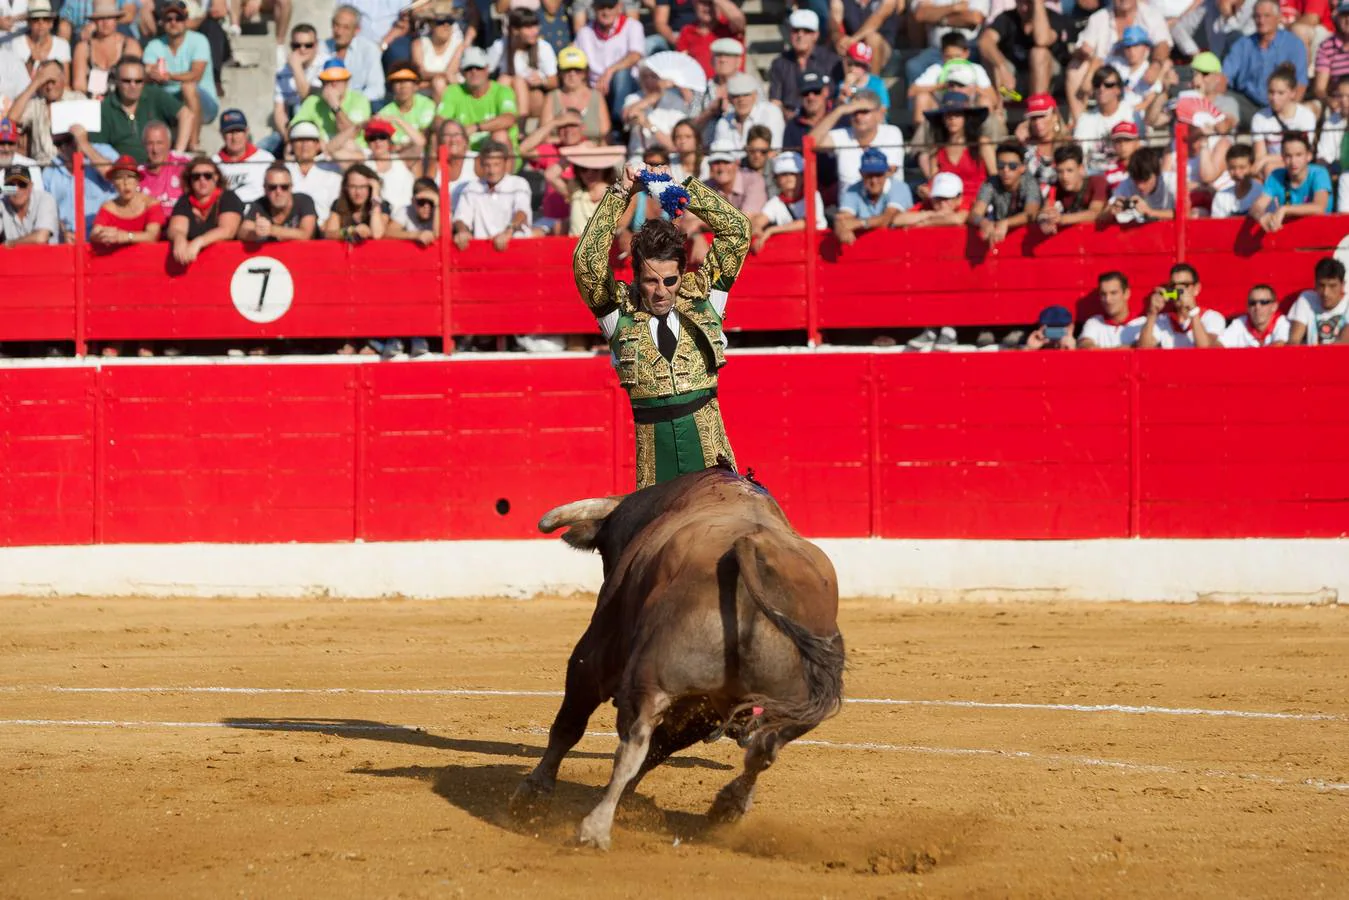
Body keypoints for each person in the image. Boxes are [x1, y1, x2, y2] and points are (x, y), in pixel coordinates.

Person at [573, 161, 749, 488]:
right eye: (650, 281)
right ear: (636, 277)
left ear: (683, 273)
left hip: (715, 464)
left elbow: (737, 231)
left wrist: (681, 186)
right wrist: (621, 192)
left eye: (670, 280)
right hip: (655, 476)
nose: (660, 290)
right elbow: (587, 265)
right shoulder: (618, 312)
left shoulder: (706, 296)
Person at [1066, 0, 1170, 123]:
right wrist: (1088, 70)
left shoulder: (1151, 14)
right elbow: (1086, 51)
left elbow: (1163, 44)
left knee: (1166, 65)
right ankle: (1080, 124)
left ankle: (1154, 119)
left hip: (1141, 74)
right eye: (1128, 46)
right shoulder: (1098, 18)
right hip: (1106, 73)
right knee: (1075, 68)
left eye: (1135, 45)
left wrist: (1156, 65)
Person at [143, 0, 218, 148]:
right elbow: (147, 71)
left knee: (188, 87)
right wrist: (152, 74)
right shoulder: (154, 45)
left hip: (204, 103)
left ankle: (194, 144)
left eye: (179, 18)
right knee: (145, 90)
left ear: (186, 20)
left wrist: (168, 76)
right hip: (170, 104)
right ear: (162, 22)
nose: (174, 22)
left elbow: (196, 75)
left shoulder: (199, 40)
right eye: (168, 19)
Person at [1223, 0, 1308, 121]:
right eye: (1257, 16)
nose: (1261, 21)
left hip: (1281, 105)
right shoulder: (1243, 44)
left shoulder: (1294, 44)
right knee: (1224, 100)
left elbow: (1301, 83)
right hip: (1248, 103)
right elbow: (1225, 75)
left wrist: (1288, 112)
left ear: (1278, 18)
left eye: (1267, 16)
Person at [808, 90, 904, 194]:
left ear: (879, 114)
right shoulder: (842, 135)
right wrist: (839, 110)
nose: (858, 117)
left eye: (864, 111)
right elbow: (809, 142)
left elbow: (888, 172)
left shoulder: (892, 132)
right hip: (847, 208)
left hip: (887, 205)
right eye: (854, 112)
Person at [979, 0, 1071, 101]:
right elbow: (984, 42)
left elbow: (1042, 40)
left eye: (1028, 3)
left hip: (1050, 83)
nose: (1024, 8)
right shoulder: (1007, 17)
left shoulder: (1054, 18)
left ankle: (1037, 107)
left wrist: (1037, 3)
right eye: (1020, 2)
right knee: (990, 56)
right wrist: (1001, 67)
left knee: (1039, 53)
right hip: (1014, 89)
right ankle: (998, 105)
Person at [435, 46, 519, 155]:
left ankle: (504, 172)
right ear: (462, 72)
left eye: (478, 67)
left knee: (500, 135)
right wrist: (456, 134)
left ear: (487, 69)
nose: (474, 72)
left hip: (495, 154)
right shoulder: (453, 91)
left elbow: (509, 119)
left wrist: (475, 127)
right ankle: (443, 172)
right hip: (463, 149)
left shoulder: (502, 91)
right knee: (438, 137)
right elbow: (438, 120)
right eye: (469, 68)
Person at [451, 139, 532, 250]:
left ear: (506, 162)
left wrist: (508, 232)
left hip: (516, 248)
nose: (492, 170)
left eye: (496, 164)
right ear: (481, 165)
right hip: (482, 250)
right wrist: (462, 231)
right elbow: (461, 218)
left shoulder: (519, 183)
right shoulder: (472, 188)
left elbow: (522, 212)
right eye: (487, 165)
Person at [573, 0, 643, 122]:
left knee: (621, 75)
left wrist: (610, 71)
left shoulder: (632, 26)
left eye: (610, 7)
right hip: (595, 88)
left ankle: (618, 123)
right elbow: (577, 61)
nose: (606, 12)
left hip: (628, 86)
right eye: (601, 7)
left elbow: (635, 55)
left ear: (619, 7)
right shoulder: (584, 32)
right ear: (594, 9)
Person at [1249, 130, 1333, 230]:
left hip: (1321, 233)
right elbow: (1256, 207)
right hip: (1290, 235)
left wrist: (1285, 209)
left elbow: (1319, 207)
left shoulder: (1319, 173)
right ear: (1282, 157)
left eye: (1298, 155)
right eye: (1288, 156)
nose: (1293, 161)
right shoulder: (1276, 175)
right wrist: (1262, 216)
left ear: (1309, 156)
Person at [8, 60, 85, 166]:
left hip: (71, 167)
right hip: (42, 168)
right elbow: (11, 119)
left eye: (53, 81)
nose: (49, 87)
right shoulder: (35, 104)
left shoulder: (78, 99)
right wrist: (36, 82)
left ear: (63, 78)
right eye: (44, 82)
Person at [167, 156, 242, 265]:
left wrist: (199, 242)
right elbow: (176, 228)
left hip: (227, 261)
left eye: (207, 176)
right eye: (196, 177)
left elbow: (227, 230)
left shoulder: (228, 197)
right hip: (193, 263)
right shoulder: (185, 200)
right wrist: (179, 239)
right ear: (190, 180)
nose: (202, 180)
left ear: (216, 177)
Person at [43, 130, 118, 239]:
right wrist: (62, 232)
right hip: (67, 241)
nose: (63, 147)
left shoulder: (103, 151)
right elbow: (46, 211)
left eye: (68, 140)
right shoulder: (50, 171)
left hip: (102, 238)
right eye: (58, 144)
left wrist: (85, 145)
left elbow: (117, 176)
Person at [918, 91, 987, 207]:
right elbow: (933, 181)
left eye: (957, 114)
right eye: (948, 115)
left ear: (966, 118)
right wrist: (925, 189)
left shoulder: (981, 143)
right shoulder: (937, 148)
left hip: (977, 202)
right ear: (943, 119)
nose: (952, 119)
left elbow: (994, 177)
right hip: (944, 203)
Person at [489, 6, 559, 120]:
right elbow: (486, 70)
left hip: (534, 98)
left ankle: (521, 124)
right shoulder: (500, 46)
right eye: (528, 27)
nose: (535, 31)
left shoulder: (543, 47)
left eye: (535, 26)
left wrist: (542, 81)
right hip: (509, 94)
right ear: (515, 30)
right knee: (505, 79)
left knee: (519, 82)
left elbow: (554, 81)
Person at [1134, 263, 1226, 348]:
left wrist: (1192, 310)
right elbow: (1143, 350)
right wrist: (1152, 313)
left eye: (1184, 285)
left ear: (1196, 289)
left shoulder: (1212, 317)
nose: (1177, 289)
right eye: (1173, 285)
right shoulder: (1163, 320)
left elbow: (1205, 348)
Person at [768, 7, 842, 112]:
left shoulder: (831, 61)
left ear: (816, 35)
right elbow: (775, 101)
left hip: (824, 119)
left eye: (807, 31)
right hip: (788, 120)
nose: (800, 35)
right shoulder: (779, 63)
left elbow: (836, 97)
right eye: (796, 30)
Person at [906, 0, 990, 91]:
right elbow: (921, 14)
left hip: (968, 51)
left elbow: (974, 18)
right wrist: (954, 8)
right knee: (914, 66)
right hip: (937, 50)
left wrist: (939, 18)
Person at [833, 147, 912, 244]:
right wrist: (841, 230)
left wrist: (859, 223)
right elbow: (842, 219)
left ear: (887, 173)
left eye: (878, 174)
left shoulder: (900, 188)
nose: (874, 181)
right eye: (869, 175)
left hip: (900, 245)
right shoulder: (852, 190)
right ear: (861, 174)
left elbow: (886, 219)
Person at [970, 141, 1042, 247]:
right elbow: (974, 214)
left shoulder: (1030, 183)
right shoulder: (991, 182)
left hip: (1027, 242)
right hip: (1000, 237)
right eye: (1001, 165)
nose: (1006, 170)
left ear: (1022, 168)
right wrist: (984, 223)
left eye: (1012, 166)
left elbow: (1030, 213)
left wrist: (1006, 222)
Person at [750, 151, 826, 252]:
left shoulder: (813, 196)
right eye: (783, 174)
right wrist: (757, 230)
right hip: (790, 251)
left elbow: (808, 223)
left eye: (793, 173)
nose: (788, 177)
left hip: (817, 251)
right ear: (776, 179)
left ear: (802, 177)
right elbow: (759, 221)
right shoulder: (775, 202)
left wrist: (772, 230)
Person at [291, 58, 372, 150]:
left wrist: (335, 107)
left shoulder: (359, 100)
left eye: (338, 80)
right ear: (322, 83)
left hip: (354, 153)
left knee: (348, 145)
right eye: (328, 81)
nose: (334, 84)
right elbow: (293, 130)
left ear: (347, 82)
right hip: (322, 154)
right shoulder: (313, 101)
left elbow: (350, 135)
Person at [89, 154, 166, 248]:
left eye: (130, 176)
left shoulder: (151, 204)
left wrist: (125, 236)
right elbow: (94, 234)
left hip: (146, 259)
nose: (125, 182)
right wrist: (104, 235)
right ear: (113, 182)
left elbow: (152, 236)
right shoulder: (108, 207)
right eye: (120, 177)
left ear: (137, 180)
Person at [1252, 63, 1316, 176]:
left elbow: (1303, 154)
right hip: (1274, 166)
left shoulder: (1306, 116)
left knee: (1270, 168)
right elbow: (1259, 157)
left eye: (1280, 93)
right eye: (1271, 92)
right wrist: (1265, 160)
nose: (1274, 98)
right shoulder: (1259, 118)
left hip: (1298, 165)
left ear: (1292, 93)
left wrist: (1267, 159)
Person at [1075, 67, 1141, 175]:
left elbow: (1138, 150)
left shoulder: (1131, 114)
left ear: (1118, 90)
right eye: (1097, 84)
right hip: (1092, 178)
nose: (1101, 89)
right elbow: (1078, 155)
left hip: (1124, 175)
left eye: (1108, 85)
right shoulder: (1085, 119)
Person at [539, 45, 611, 144]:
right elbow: (543, 137)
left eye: (577, 70)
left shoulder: (597, 97)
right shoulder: (551, 98)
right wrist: (570, 142)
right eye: (567, 70)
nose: (572, 74)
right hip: (559, 155)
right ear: (559, 72)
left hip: (592, 154)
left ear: (585, 72)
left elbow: (605, 136)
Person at [72, 0, 142, 97]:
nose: (105, 23)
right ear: (94, 21)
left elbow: (135, 82)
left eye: (109, 18)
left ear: (116, 20)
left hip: (122, 101)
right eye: (100, 18)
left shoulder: (130, 45)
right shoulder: (83, 48)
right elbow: (79, 86)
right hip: (90, 103)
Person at [238, 161, 317, 242]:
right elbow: (242, 232)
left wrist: (271, 230)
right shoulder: (260, 204)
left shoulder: (304, 201)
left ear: (291, 187)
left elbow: (306, 234)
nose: (278, 192)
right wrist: (255, 232)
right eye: (272, 187)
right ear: (265, 188)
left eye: (284, 187)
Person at [272, 24, 323, 146]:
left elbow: (306, 96)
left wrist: (296, 67)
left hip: (319, 123)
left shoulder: (325, 65)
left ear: (316, 45)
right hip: (292, 127)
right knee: (264, 148)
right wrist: (287, 139)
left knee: (298, 106)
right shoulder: (282, 71)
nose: (302, 49)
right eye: (297, 45)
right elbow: (279, 111)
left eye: (308, 45)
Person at [1039, 143, 1108, 233]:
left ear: (1081, 169)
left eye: (1070, 170)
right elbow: (1046, 210)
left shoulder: (1098, 182)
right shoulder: (1056, 187)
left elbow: (1095, 213)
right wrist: (1044, 220)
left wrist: (1062, 219)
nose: (1064, 177)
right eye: (1060, 171)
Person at [323, 4, 385, 102]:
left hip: (357, 107)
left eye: (346, 27)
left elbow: (377, 89)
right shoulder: (322, 47)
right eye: (336, 25)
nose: (339, 32)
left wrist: (351, 102)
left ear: (357, 30)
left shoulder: (369, 50)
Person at [411, 0, 472, 99]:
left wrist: (429, 81)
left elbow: (450, 74)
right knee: (438, 81)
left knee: (439, 82)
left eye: (450, 21)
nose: (446, 26)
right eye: (441, 21)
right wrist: (437, 78)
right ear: (431, 24)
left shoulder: (458, 45)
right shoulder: (418, 44)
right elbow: (420, 73)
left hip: (450, 91)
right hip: (425, 96)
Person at [211, 109, 273, 204]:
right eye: (229, 132)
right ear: (221, 134)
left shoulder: (266, 159)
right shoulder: (213, 163)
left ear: (247, 132)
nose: (234, 138)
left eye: (238, 131)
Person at [712, 71, 785, 150]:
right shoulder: (723, 123)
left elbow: (774, 151)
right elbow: (720, 154)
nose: (741, 99)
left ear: (755, 95)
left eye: (746, 94)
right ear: (730, 99)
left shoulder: (771, 113)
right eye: (736, 96)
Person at [284, 121, 342, 222]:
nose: (304, 145)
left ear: (317, 144)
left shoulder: (331, 170)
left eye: (309, 140)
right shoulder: (283, 170)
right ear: (291, 145)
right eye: (299, 140)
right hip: (291, 230)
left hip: (325, 230)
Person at [1104, 146, 1175, 223]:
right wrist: (1111, 211)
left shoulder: (1171, 181)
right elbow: (1102, 216)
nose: (1140, 186)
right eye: (1136, 180)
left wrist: (1150, 212)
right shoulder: (1126, 184)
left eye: (1145, 180)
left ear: (1157, 173)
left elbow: (1186, 214)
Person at [675, 0, 745, 77]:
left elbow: (738, 20)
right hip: (697, 85)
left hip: (730, 84)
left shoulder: (729, 26)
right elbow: (680, 64)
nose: (707, 8)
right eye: (702, 4)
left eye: (711, 4)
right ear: (694, 5)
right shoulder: (687, 31)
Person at [1288, 256, 1349, 343]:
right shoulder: (1306, 299)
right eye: (1321, 285)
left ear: (1342, 285)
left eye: (1332, 286)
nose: (1325, 293)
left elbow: (1342, 344)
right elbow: (1294, 341)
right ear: (1315, 284)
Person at [830, 0, 902, 74]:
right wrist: (838, 38)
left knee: (873, 39)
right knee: (838, 41)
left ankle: (873, 81)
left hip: (882, 46)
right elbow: (835, 24)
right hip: (852, 46)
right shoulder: (840, 2)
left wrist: (853, 40)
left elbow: (877, 20)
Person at [323, 162, 388, 242]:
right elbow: (329, 234)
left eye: (363, 186)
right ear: (346, 187)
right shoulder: (339, 203)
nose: (358, 192)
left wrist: (375, 194)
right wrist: (350, 230)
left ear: (370, 188)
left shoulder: (381, 206)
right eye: (353, 186)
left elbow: (377, 234)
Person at [377, 64, 435, 151]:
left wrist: (397, 120)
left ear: (416, 86)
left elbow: (423, 141)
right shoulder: (384, 112)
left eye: (407, 80)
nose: (403, 86)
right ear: (392, 87)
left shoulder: (427, 105)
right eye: (398, 81)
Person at [1078, 271, 1140, 349]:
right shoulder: (1094, 322)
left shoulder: (1142, 323)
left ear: (1126, 294)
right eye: (1103, 294)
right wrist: (1125, 349)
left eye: (1113, 293)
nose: (1108, 300)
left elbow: (1145, 348)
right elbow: (1086, 346)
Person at [9, 0, 71, 78]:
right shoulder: (16, 44)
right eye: (35, 19)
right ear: (29, 22)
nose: (40, 23)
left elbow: (65, 82)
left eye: (45, 19)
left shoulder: (62, 45)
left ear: (51, 22)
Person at [0, 164, 59, 245]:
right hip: (15, 257)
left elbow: (41, 238)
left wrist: (8, 244)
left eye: (22, 184)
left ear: (30, 186)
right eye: (11, 186)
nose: (17, 190)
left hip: (46, 257)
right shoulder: (2, 202)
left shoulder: (45, 199)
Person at [1219, 283, 1291, 346]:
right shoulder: (1240, 323)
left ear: (1274, 306)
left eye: (1263, 302)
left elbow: (1280, 346)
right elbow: (1218, 346)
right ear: (1247, 307)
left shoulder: (1282, 322)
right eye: (1252, 303)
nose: (1257, 307)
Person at [893, 169, 970, 227]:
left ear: (959, 198)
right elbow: (897, 220)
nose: (942, 203)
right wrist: (932, 214)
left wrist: (926, 223)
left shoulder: (967, 203)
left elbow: (958, 219)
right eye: (938, 198)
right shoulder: (927, 204)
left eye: (947, 198)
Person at [1210, 143, 1264, 217]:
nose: (1237, 172)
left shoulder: (1263, 194)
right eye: (1232, 168)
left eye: (1242, 167)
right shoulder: (1221, 196)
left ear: (1252, 167)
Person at [837, 40, 890, 111]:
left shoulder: (877, 83)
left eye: (858, 65)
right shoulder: (842, 84)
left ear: (867, 67)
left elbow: (883, 109)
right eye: (850, 63)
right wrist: (845, 88)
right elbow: (838, 110)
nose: (852, 68)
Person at [390, 175, 440, 248]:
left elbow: (439, 235)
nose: (426, 206)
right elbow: (387, 232)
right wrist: (416, 235)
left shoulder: (440, 211)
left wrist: (437, 205)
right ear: (413, 201)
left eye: (431, 202)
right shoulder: (405, 210)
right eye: (422, 202)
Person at [1313, 1, 1349, 99]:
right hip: (1338, 101)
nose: (1348, 19)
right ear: (1337, 18)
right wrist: (1331, 102)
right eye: (1344, 15)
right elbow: (1320, 88)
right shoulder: (1326, 46)